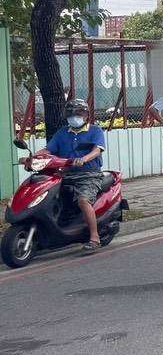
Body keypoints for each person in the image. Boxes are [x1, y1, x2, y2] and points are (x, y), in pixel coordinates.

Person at [41, 100, 108, 251]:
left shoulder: (95, 131)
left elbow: (97, 150)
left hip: (89, 175)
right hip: (65, 174)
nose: (74, 117)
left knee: (83, 200)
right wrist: (32, 158)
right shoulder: (62, 133)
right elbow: (48, 150)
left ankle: (94, 237)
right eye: (71, 114)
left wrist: (84, 159)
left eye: (79, 113)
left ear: (86, 115)